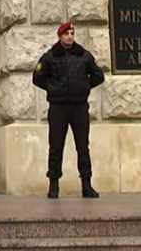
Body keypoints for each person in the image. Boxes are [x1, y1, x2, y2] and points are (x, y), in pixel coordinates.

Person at [32, 20, 104, 199]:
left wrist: (84, 87)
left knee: (83, 147)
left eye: (72, 34)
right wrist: (53, 88)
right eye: (66, 34)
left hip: (79, 107)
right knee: (56, 147)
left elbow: (98, 75)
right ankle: (54, 184)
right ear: (60, 36)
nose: (70, 37)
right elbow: (37, 77)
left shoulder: (84, 56)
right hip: (58, 108)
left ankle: (86, 185)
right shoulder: (50, 57)